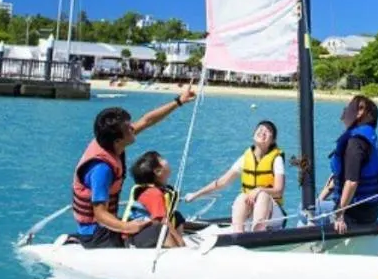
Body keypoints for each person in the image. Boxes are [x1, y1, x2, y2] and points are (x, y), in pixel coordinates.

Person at [69, 88, 196, 248]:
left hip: (108, 226)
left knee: (174, 217)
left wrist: (179, 101)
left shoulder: (112, 142)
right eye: (129, 128)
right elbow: (100, 214)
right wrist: (128, 227)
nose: (133, 128)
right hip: (97, 234)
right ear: (118, 140)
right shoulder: (101, 169)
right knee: (160, 229)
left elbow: (147, 120)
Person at [184, 120, 287, 232]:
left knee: (263, 195)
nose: (263, 132)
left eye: (268, 131)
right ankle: (238, 235)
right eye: (260, 129)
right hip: (251, 213)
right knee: (241, 197)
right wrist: (196, 195)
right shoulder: (245, 158)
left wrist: (259, 190)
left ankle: (258, 234)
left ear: (273, 140)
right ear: (253, 134)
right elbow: (222, 182)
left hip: (273, 214)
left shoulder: (276, 159)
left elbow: (279, 190)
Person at [318, 95, 378, 234]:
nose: (346, 111)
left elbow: (352, 182)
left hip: (355, 213)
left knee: (304, 211)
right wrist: (319, 200)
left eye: (349, 107)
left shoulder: (356, 143)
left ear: (360, 111)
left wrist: (339, 214)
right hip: (370, 210)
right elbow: (335, 180)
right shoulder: (367, 137)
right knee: (314, 207)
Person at [123, 150, 186, 249]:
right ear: (158, 171)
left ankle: (175, 244)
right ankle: (176, 251)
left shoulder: (161, 190)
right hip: (135, 238)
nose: (165, 160)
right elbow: (161, 220)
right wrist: (180, 242)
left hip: (148, 233)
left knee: (177, 216)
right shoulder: (153, 193)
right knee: (162, 228)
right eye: (161, 159)